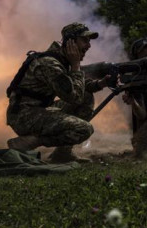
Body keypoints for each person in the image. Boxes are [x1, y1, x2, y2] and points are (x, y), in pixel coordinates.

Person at [6, 22, 111, 163]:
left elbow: (81, 88)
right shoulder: (50, 64)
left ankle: (63, 154)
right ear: (71, 42)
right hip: (24, 115)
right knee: (84, 129)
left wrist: (101, 83)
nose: (89, 45)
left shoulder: (61, 60)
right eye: (84, 40)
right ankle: (32, 141)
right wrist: (76, 66)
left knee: (87, 96)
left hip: (38, 110)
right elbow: (75, 97)